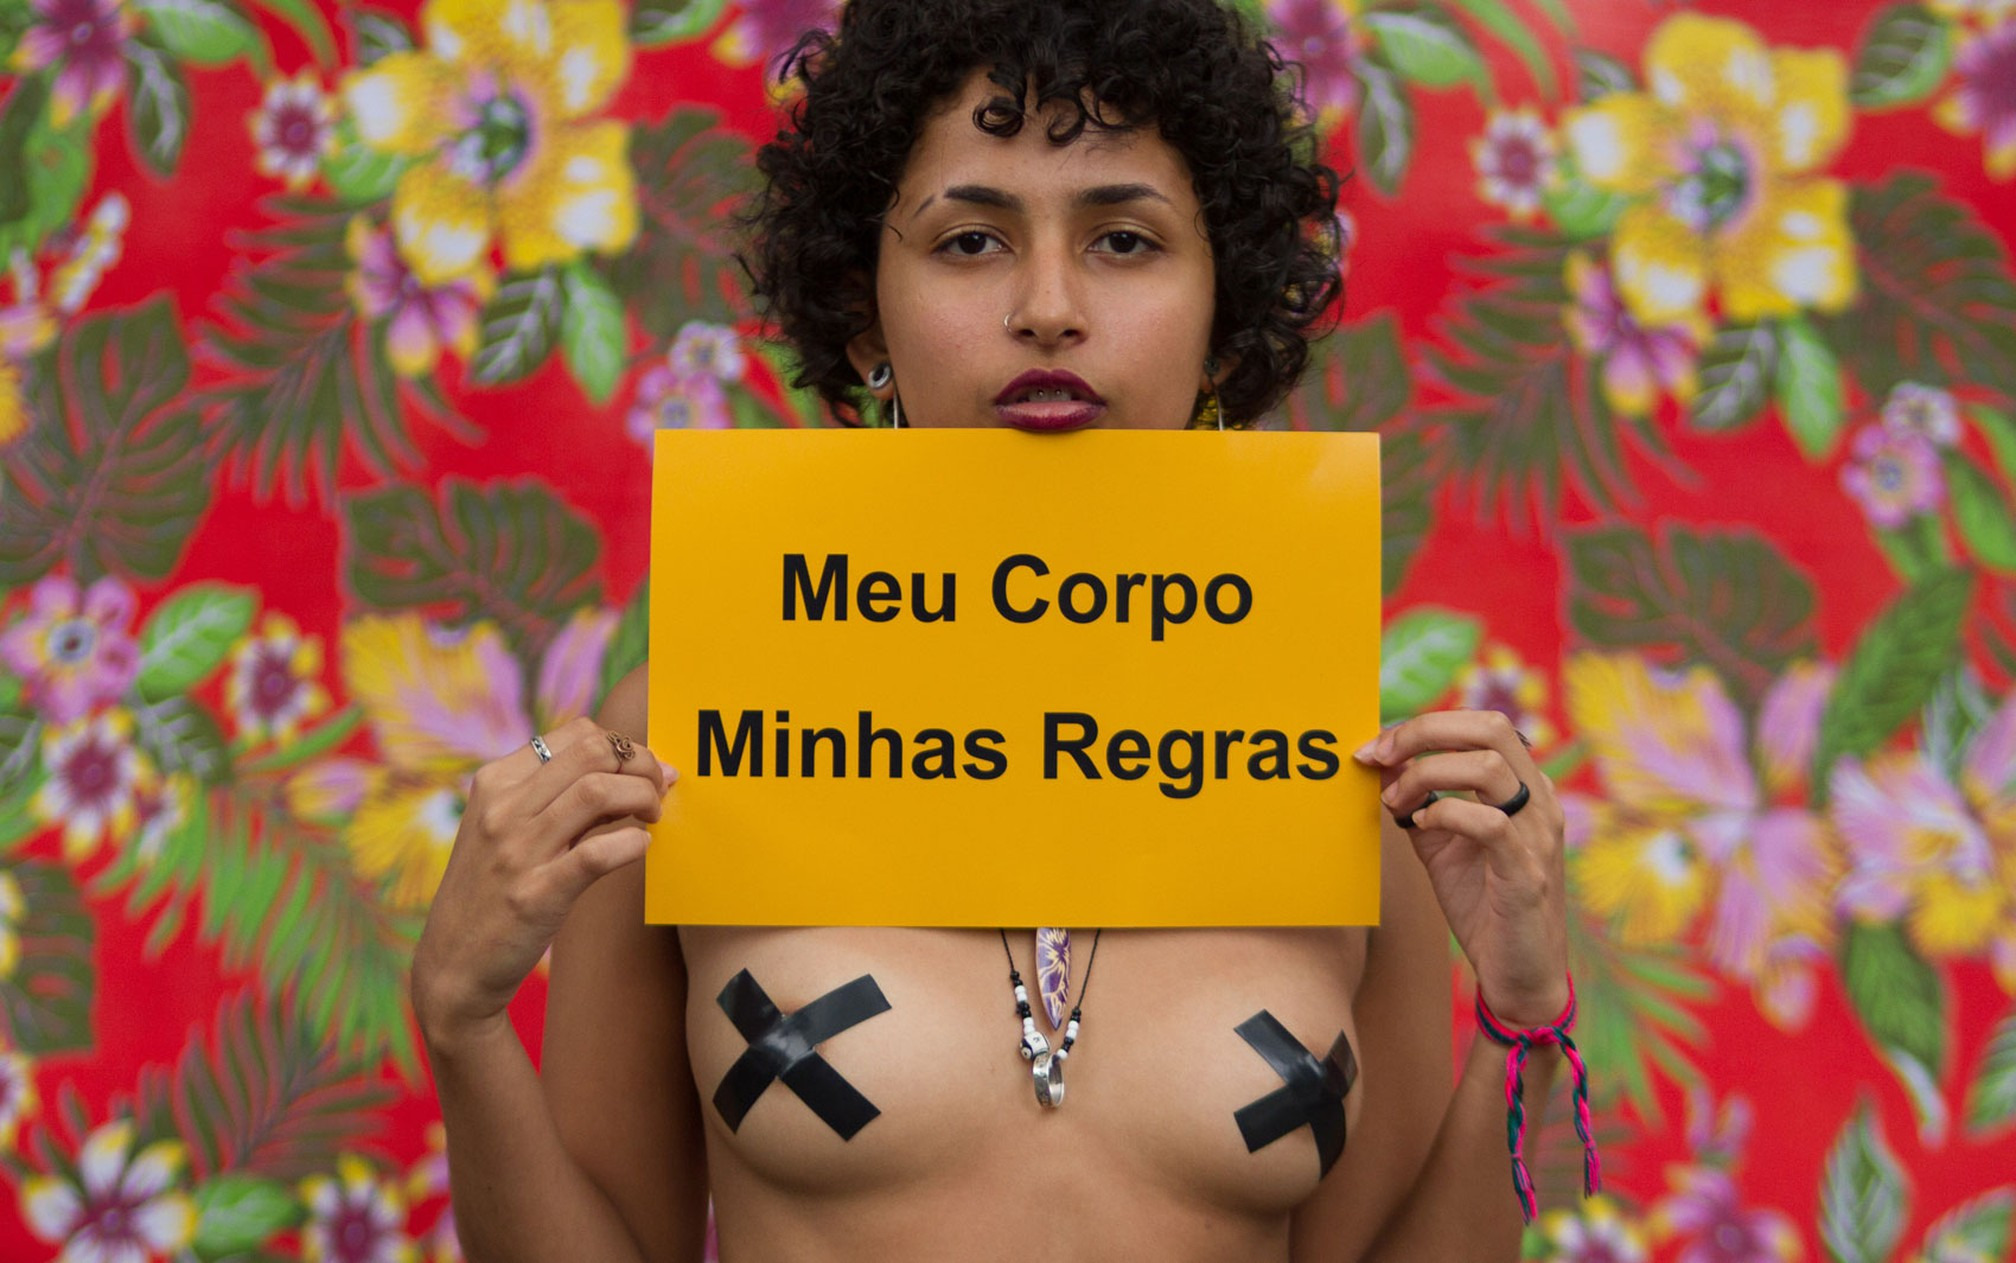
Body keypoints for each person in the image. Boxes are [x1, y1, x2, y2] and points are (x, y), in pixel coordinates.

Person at [408, 0, 1577, 1258]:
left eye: (1125, 239)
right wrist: (462, 1025)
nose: (1049, 306)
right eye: (970, 240)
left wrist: (1529, 1015)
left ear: (1222, 308)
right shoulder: (694, 721)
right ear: (865, 311)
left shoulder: (1347, 762)